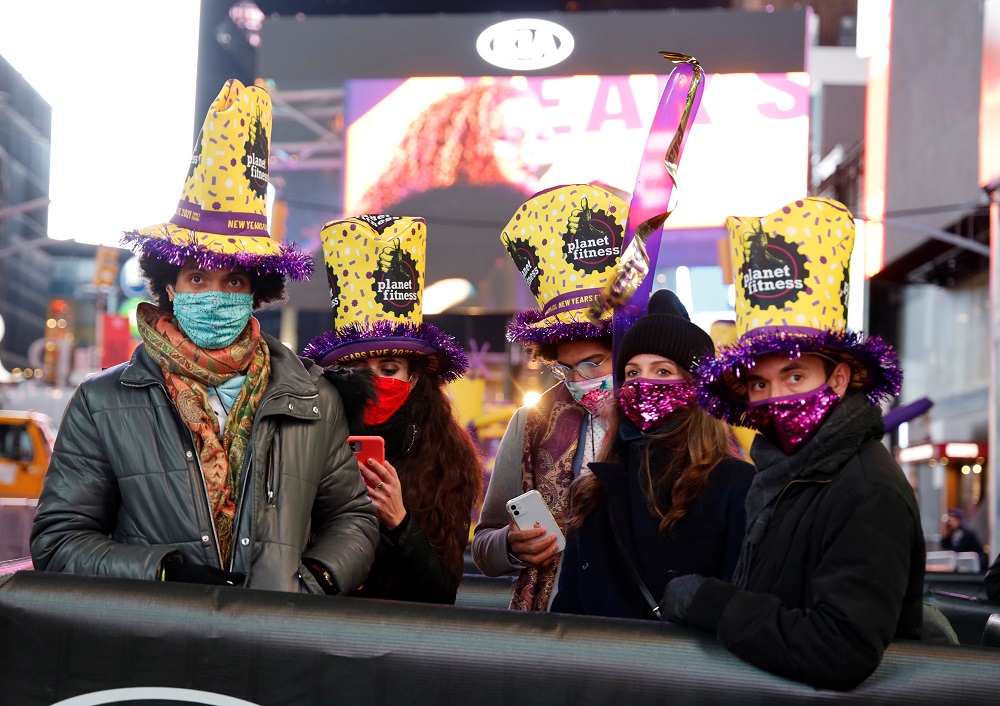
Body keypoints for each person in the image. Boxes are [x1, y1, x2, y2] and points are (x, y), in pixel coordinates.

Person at [30, 79, 379, 594]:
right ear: (169, 285)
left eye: (232, 280)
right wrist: (161, 571)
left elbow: (354, 516)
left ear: (254, 289)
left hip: (279, 646)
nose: (214, 294)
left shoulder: (311, 398)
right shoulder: (99, 403)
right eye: (198, 278)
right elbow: (59, 542)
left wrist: (318, 581)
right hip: (157, 649)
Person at [661, 197, 924, 690]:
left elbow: (839, 648)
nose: (775, 396)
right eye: (760, 384)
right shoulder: (785, 474)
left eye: (795, 375)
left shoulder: (867, 490)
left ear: (840, 378)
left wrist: (712, 604)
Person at [302, 215, 482, 604]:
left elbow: (442, 592)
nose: (373, 382)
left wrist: (401, 523)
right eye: (356, 370)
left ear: (414, 377)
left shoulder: (448, 459)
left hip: (398, 643)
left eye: (389, 370)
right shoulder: (304, 436)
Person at [550, 289, 754, 620]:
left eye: (662, 371)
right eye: (632, 372)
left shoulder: (735, 485)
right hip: (599, 667)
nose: (643, 382)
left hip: (684, 669)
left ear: (695, 385)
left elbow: (741, 607)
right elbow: (567, 613)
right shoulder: (593, 492)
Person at [472, 184, 628, 611]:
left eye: (595, 363)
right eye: (567, 368)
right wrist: (511, 545)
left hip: (641, 632)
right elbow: (484, 542)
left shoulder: (671, 417)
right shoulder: (532, 421)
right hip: (550, 624)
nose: (581, 381)